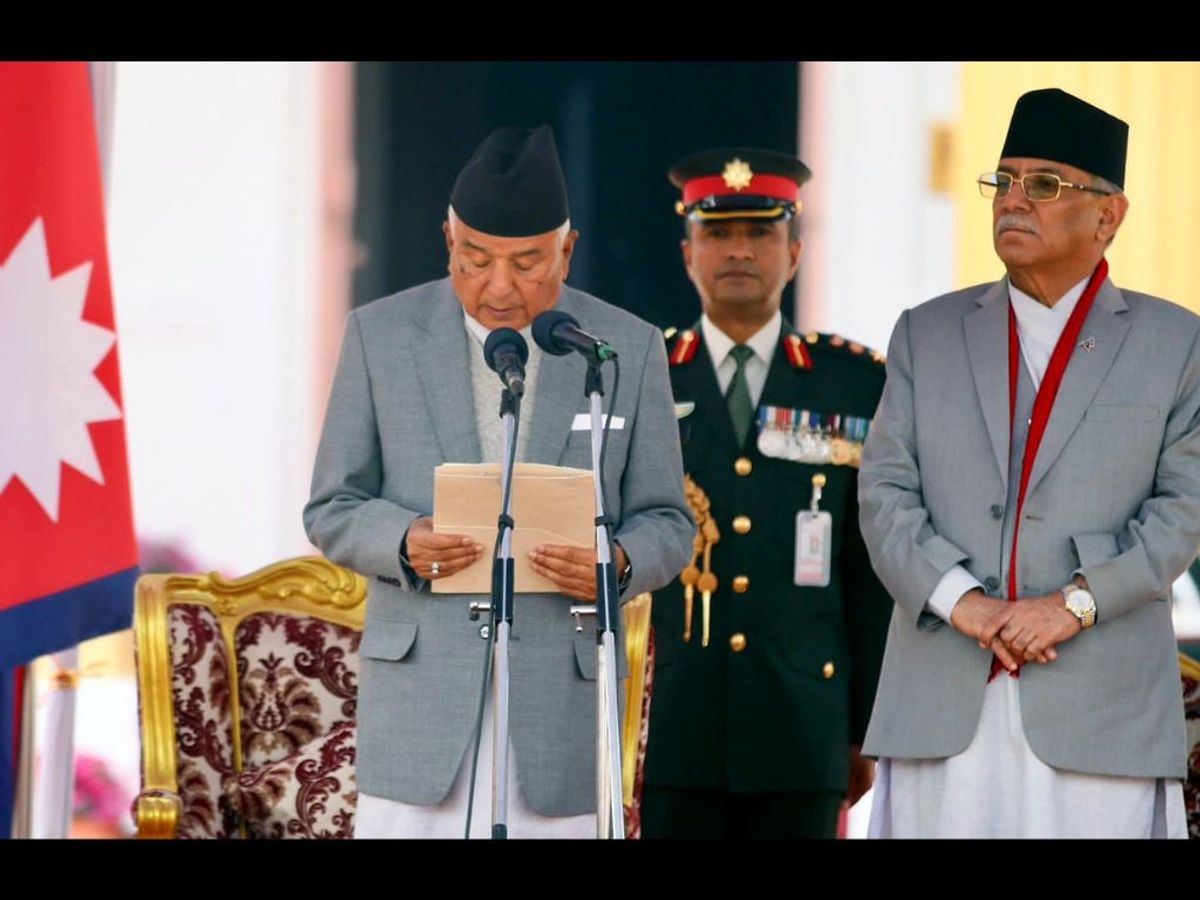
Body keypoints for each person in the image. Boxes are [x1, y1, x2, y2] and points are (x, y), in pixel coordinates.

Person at [304, 125, 694, 838]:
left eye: (527, 263)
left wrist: (618, 562)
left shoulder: (623, 349)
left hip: (559, 713)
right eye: (475, 260)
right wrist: (402, 541)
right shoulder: (380, 336)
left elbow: (668, 520)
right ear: (448, 240)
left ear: (567, 250)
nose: (499, 287)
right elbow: (332, 505)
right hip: (421, 700)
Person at [859, 88, 1196, 838]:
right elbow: (883, 493)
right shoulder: (928, 333)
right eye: (1003, 181)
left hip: (1101, 711)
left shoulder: (1178, 344)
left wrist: (1071, 604)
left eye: (1043, 185)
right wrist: (961, 601)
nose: (1014, 200)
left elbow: (1184, 511)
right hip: (943, 698)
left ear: (1108, 215)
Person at [640, 147, 893, 839]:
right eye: (718, 233)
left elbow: (870, 573)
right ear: (688, 252)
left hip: (804, 726)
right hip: (667, 727)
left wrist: (867, 723)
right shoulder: (643, 380)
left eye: (761, 232)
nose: (739, 250)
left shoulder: (854, 384)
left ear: (796, 251)